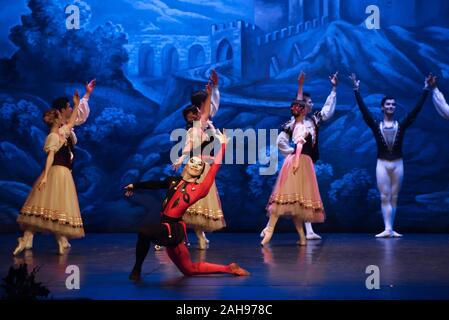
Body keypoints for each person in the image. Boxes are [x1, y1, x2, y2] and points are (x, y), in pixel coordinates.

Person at [125, 131, 249, 282]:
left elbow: (215, 166)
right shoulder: (174, 181)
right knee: (189, 270)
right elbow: (155, 184)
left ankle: (136, 271)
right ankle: (228, 268)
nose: (196, 165)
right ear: (186, 165)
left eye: (200, 165)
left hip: (172, 229)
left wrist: (223, 145)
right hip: (168, 229)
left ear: (200, 173)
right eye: (193, 162)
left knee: (144, 232)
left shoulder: (199, 189)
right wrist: (134, 185)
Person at [13, 80, 96, 255]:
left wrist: (84, 96)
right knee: (48, 205)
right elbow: (52, 154)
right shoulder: (57, 133)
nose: (72, 110)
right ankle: (32, 238)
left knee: (53, 206)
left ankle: (49, 239)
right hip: (56, 172)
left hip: (64, 172)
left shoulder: (64, 129)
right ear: (60, 113)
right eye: (69, 107)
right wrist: (44, 176)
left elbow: (76, 119)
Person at [350, 73, 433, 237]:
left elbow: (415, 111)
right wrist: (356, 90)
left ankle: (391, 228)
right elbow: (364, 111)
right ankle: (386, 228)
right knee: (384, 196)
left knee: (394, 196)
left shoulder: (400, 125)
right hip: (382, 164)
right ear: (382, 107)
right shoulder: (376, 124)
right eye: (387, 104)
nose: (390, 106)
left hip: (397, 164)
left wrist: (425, 89)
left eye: (393, 105)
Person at [262, 71, 337, 241]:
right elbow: (281, 140)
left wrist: (333, 89)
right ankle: (268, 227)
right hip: (296, 160)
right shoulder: (295, 122)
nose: (310, 104)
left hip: (306, 161)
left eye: (309, 102)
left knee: (304, 195)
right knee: (287, 193)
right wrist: (292, 152)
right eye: (307, 102)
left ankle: (306, 233)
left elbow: (327, 110)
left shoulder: (314, 120)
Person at [261, 99, 326, 247]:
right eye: (294, 107)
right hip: (300, 161)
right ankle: (302, 238)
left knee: (285, 199)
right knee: (294, 202)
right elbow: (289, 144)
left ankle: (270, 232)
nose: (295, 109)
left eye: (298, 107)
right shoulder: (294, 125)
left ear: (303, 111)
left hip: (300, 162)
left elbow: (299, 144)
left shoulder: (302, 126)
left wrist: (296, 159)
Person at [172, 70, 225, 249]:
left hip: (206, 166)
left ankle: (192, 235)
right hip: (197, 167)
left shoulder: (206, 123)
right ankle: (195, 237)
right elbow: (188, 146)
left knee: (197, 204)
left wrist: (213, 90)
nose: (209, 107)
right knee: (192, 204)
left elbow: (212, 108)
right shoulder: (198, 125)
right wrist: (181, 159)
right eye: (206, 103)